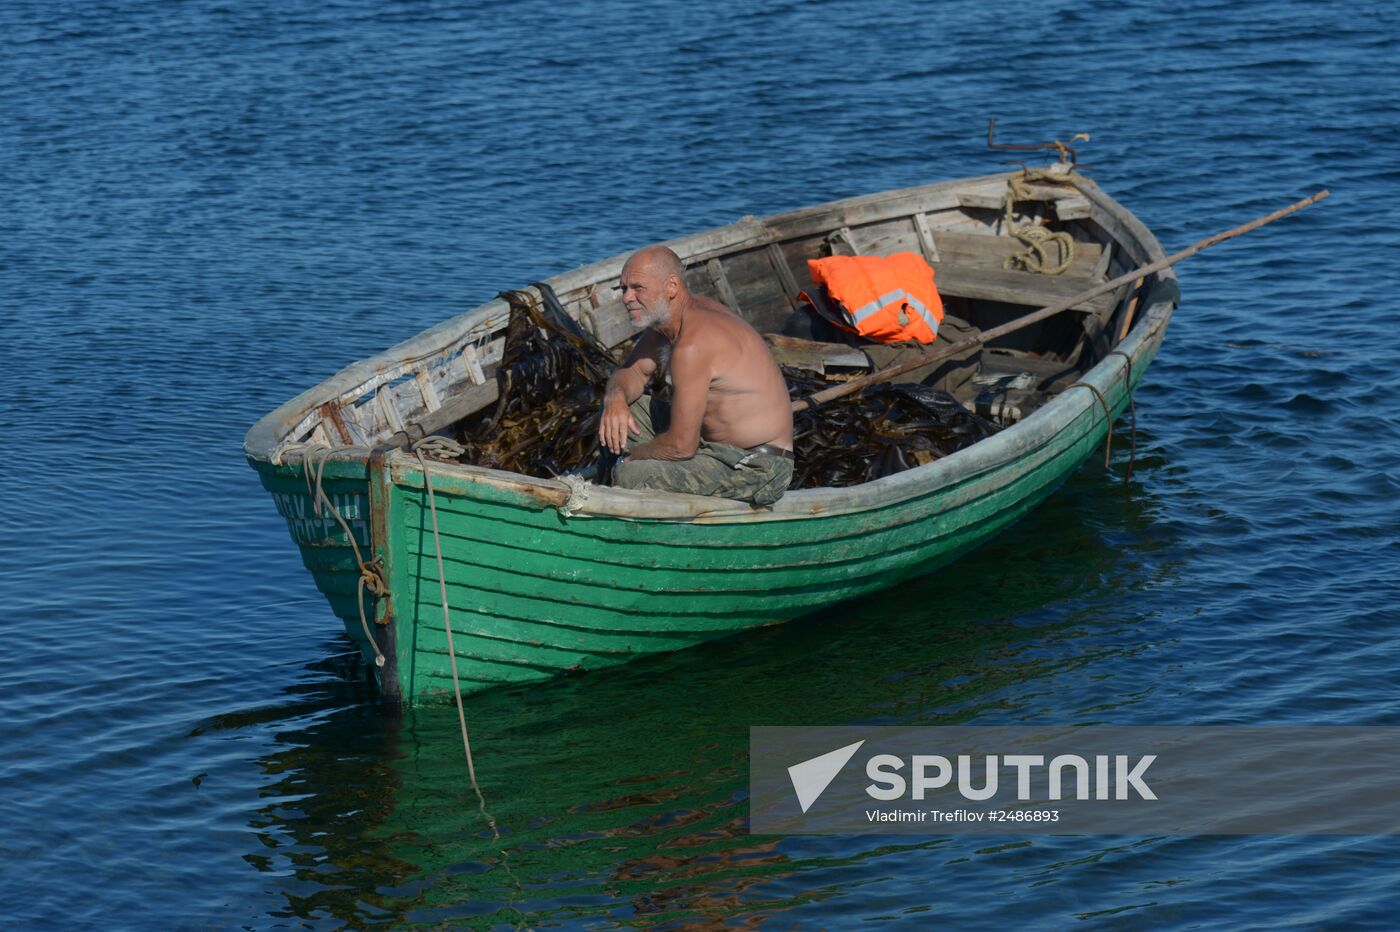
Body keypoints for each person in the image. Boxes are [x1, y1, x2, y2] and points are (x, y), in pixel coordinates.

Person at [598, 246, 794, 506]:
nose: (627, 298)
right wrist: (615, 400)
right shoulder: (667, 323)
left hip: (757, 465)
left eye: (637, 288)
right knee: (619, 416)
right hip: (708, 444)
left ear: (671, 287)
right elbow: (631, 373)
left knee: (632, 474)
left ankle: (611, 501)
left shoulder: (693, 344)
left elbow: (680, 446)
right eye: (624, 289)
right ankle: (604, 491)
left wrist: (634, 455)